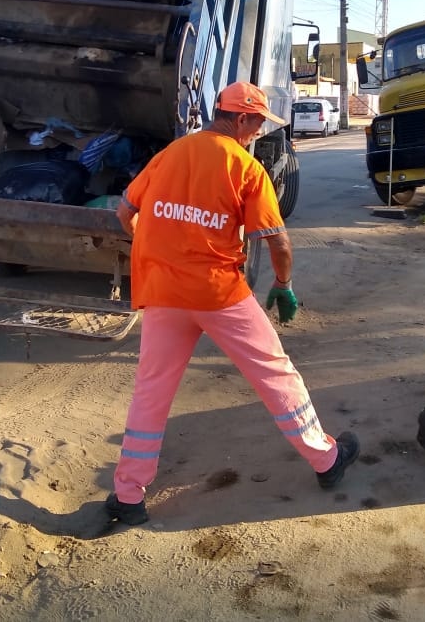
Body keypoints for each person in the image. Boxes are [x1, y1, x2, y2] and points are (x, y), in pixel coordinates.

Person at [105, 81, 359, 526]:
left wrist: (156, 248)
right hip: (218, 293)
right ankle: (326, 460)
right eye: (258, 123)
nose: (259, 132)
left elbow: (126, 212)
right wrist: (284, 283)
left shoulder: (170, 154)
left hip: (163, 293)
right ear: (241, 118)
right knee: (274, 372)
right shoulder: (244, 167)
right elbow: (276, 239)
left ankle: (128, 496)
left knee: (151, 390)